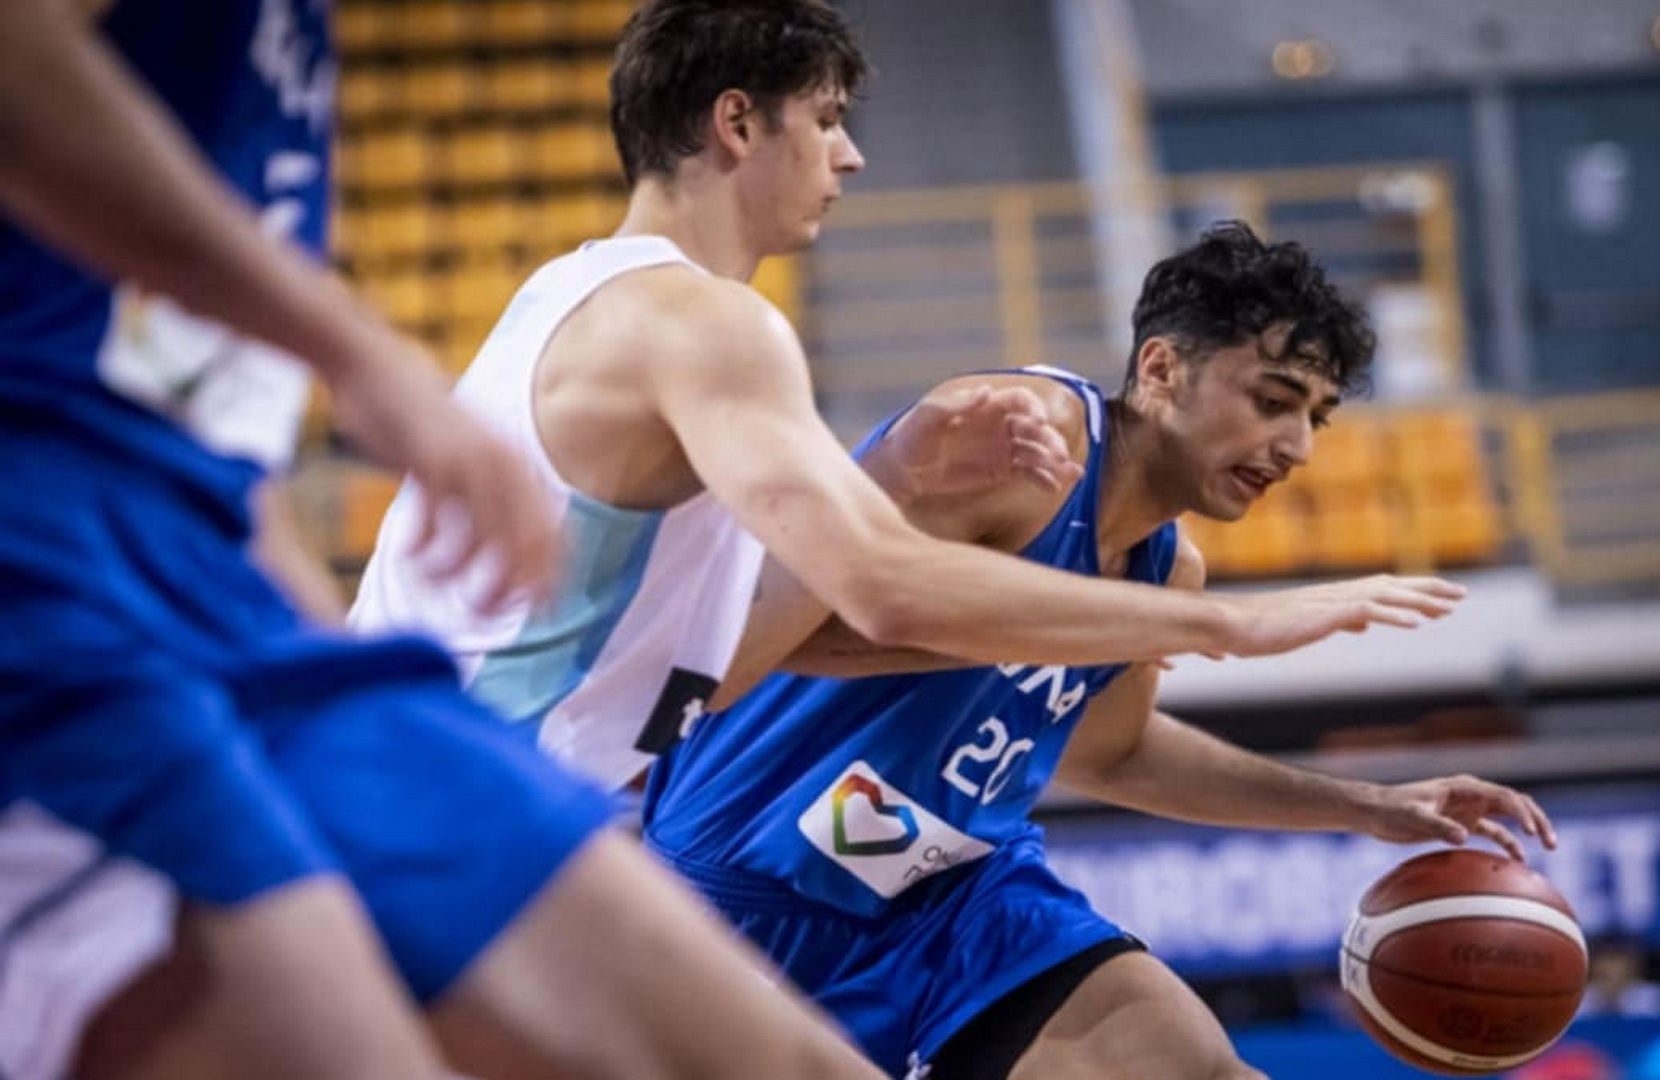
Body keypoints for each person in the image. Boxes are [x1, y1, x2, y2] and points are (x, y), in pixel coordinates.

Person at [0, 2, 891, 1079]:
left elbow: (217, 451)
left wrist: (327, 656)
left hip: (223, 603)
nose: (850, 154)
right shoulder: (676, 316)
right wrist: (352, 348)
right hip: (52, 590)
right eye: (828, 120)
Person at [351, 0, 1465, 801]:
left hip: (441, 770)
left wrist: (892, 471)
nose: (849, 156)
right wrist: (1233, 626)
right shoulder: (709, 325)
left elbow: (741, 655)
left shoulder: (579, 291)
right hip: (454, 790)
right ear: (738, 123)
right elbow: (882, 589)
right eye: (827, 118)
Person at [642, 222, 1562, 1080]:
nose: (1295, 448)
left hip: (958, 900)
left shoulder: (1166, 568)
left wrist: (1367, 806)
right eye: (1272, 401)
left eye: (1314, 418)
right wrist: (1183, 627)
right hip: (747, 885)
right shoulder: (1021, 443)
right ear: (1161, 370)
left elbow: (1113, 753)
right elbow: (780, 640)